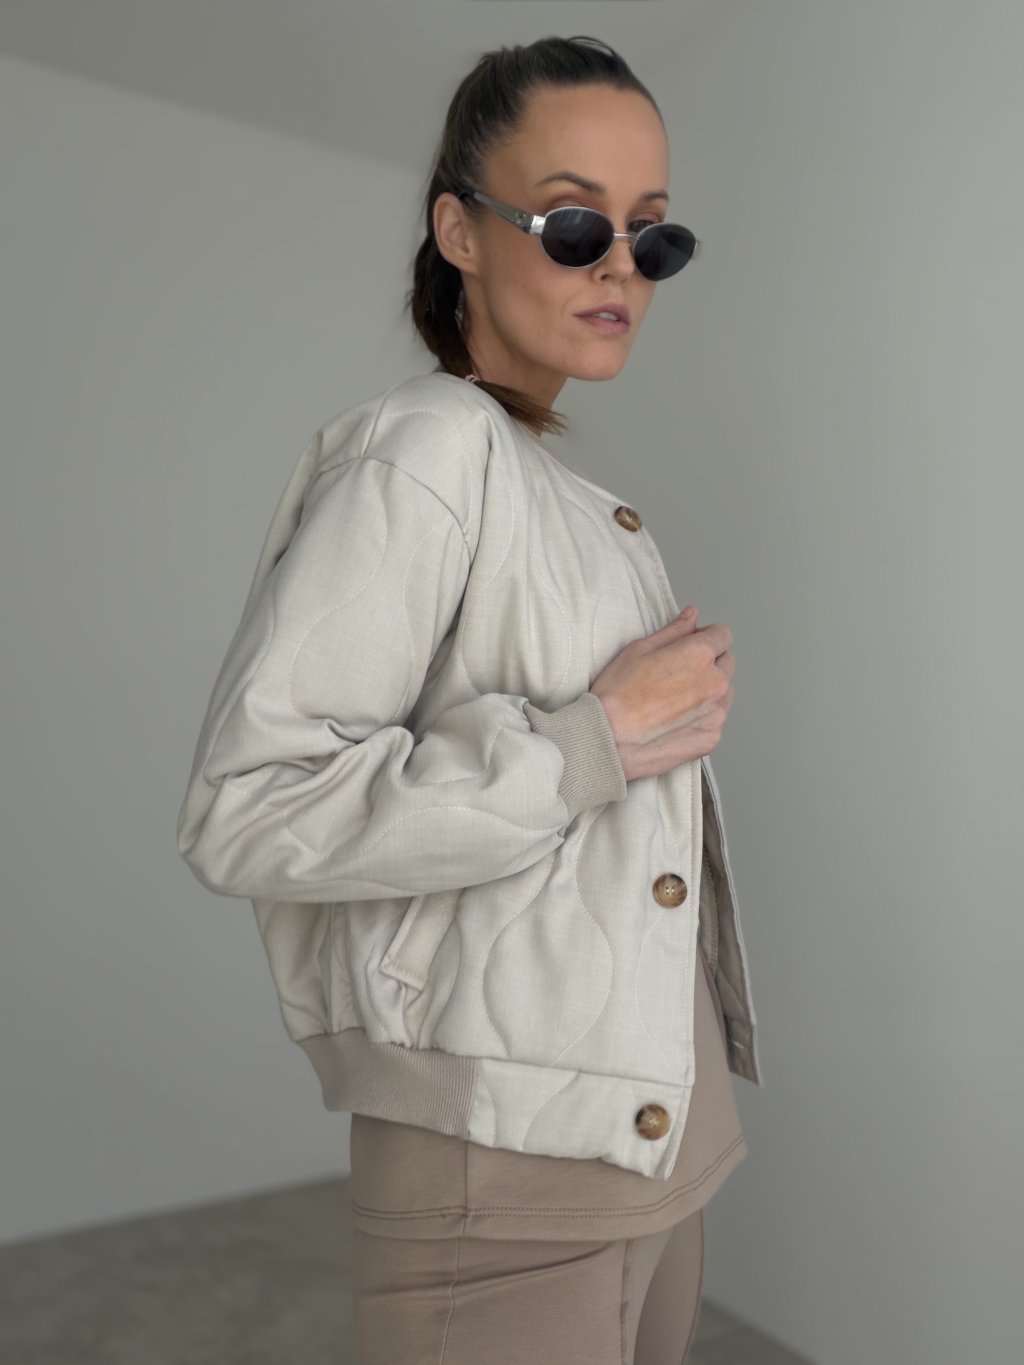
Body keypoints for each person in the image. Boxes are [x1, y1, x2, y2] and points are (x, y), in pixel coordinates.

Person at [177, 33, 761, 1365]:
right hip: (506, 1171)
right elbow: (249, 810)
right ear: (459, 230)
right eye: (575, 224)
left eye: (655, 236)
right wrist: (594, 740)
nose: (621, 267)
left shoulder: (555, 486)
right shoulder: (427, 452)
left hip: (650, 1137)